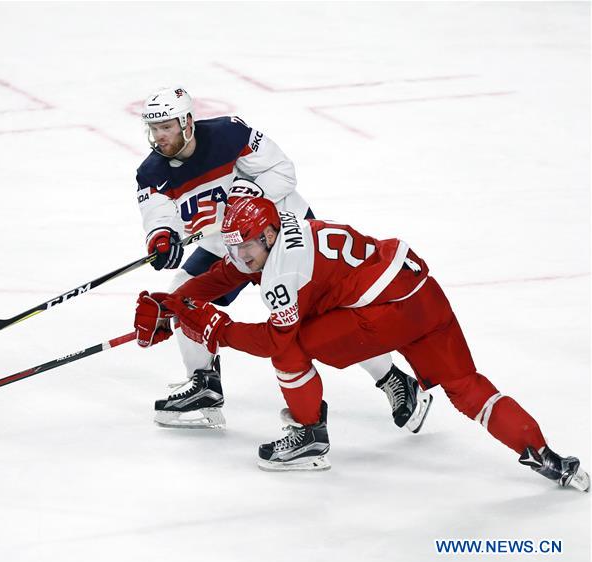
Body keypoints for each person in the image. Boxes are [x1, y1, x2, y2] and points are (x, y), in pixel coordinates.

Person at [133, 197, 590, 491]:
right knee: (466, 386)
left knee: (292, 345)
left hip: (386, 313)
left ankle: (310, 437)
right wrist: (174, 302)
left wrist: (215, 328)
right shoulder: (281, 229)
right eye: (232, 247)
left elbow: (272, 341)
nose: (239, 256)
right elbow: (230, 273)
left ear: (268, 236)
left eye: (245, 247)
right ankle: (545, 454)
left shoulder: (282, 272)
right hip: (421, 292)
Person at [135, 85, 430, 431]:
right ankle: (204, 384)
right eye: (154, 128)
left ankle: (394, 379)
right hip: (228, 245)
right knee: (182, 292)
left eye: (166, 126)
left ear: (187, 122)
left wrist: (250, 196)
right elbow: (158, 215)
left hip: (283, 233)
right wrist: (162, 237)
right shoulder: (151, 172)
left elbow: (283, 171)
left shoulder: (229, 134)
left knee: (325, 316)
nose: (160, 136)